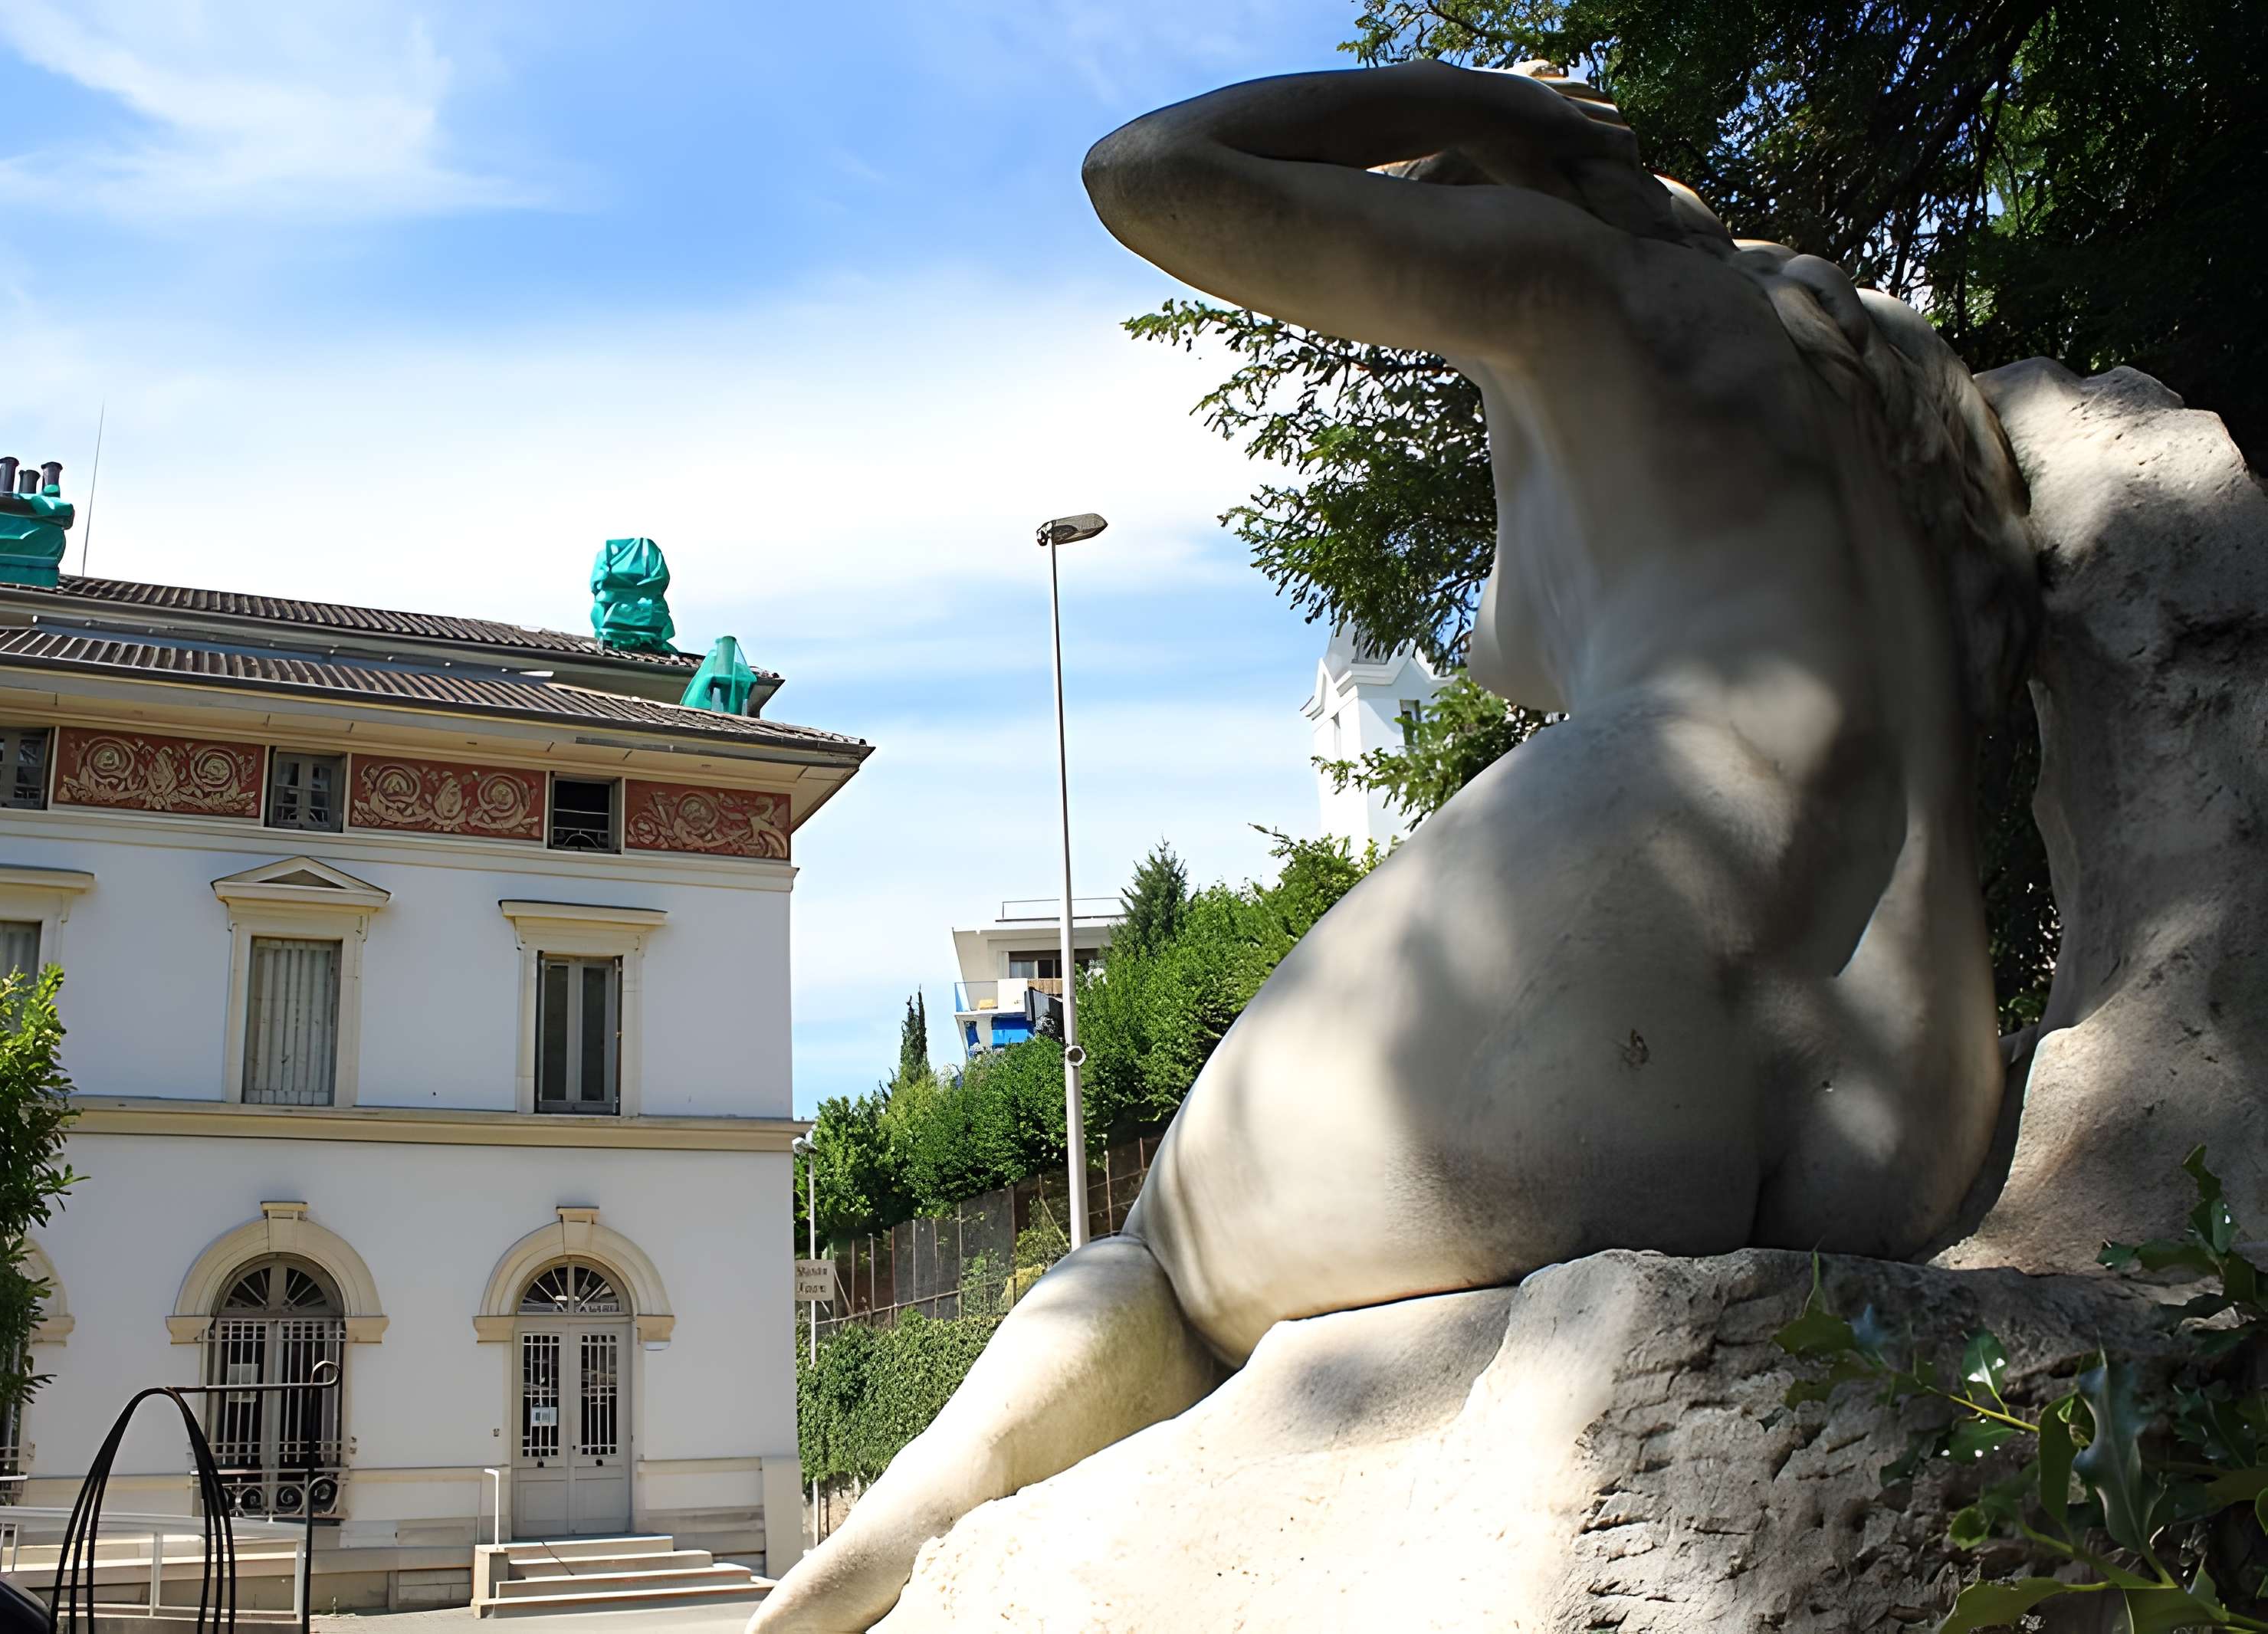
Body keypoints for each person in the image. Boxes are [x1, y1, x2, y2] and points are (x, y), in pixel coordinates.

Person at [750, 59, 2040, 1634]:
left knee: (1161, 1255)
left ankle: (903, 1527)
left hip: (1635, 921)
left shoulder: (1577, 279)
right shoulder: (1866, 374)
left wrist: (1477, 107)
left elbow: (1148, 171)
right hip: (1913, 1079)